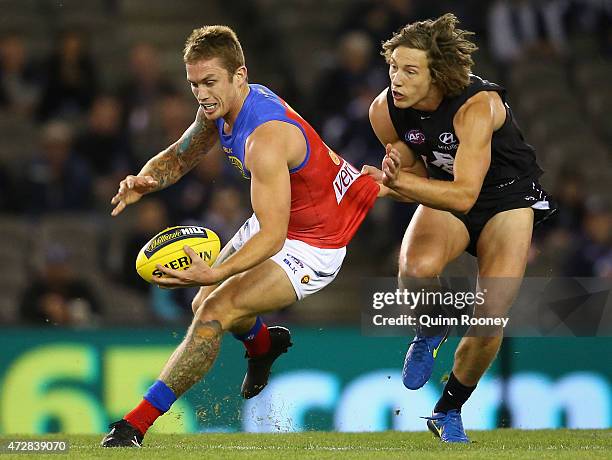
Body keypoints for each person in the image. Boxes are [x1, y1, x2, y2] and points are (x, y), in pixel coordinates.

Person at [101, 25, 380, 447]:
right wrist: (145, 181)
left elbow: (272, 236)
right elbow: (183, 154)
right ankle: (263, 344)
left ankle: (134, 425)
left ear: (239, 74)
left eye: (209, 82)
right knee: (202, 302)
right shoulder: (225, 104)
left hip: (314, 242)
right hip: (283, 218)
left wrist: (217, 274)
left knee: (214, 309)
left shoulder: (264, 140)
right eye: (194, 83)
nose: (201, 93)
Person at [362, 13, 556, 443]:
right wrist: (379, 186)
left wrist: (396, 182)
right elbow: (411, 181)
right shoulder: (385, 110)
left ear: (439, 74)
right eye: (393, 66)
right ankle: (432, 325)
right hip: (445, 190)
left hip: (506, 200)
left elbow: (467, 195)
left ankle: (447, 410)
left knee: (489, 320)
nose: (397, 79)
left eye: (411, 71)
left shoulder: (477, 106)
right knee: (414, 269)